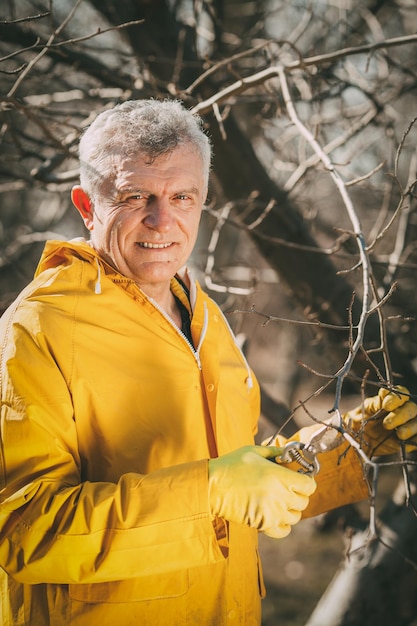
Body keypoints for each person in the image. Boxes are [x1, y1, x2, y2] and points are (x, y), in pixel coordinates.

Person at [0, 99, 416, 626]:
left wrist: (360, 444)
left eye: (182, 196)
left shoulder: (204, 316)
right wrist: (210, 489)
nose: (162, 219)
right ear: (87, 205)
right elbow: (22, 531)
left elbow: (243, 481)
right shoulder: (36, 329)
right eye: (135, 196)